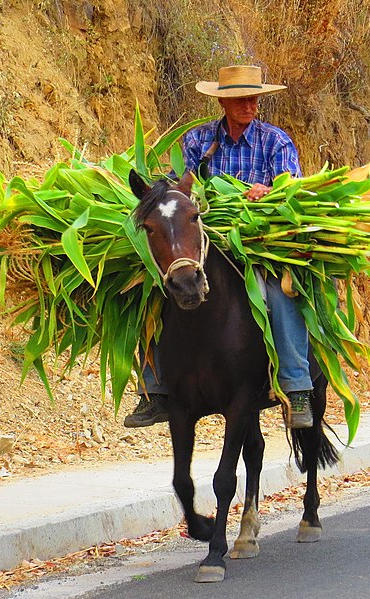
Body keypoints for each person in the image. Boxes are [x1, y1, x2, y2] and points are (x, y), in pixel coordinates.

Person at [124, 65, 315, 429]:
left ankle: (296, 386)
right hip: (208, 235)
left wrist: (271, 191)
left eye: (253, 98)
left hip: (261, 238)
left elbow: (294, 189)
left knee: (279, 292)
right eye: (240, 99)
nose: (249, 104)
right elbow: (185, 184)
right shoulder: (199, 140)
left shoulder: (275, 141)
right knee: (151, 290)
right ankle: (155, 391)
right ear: (224, 102)